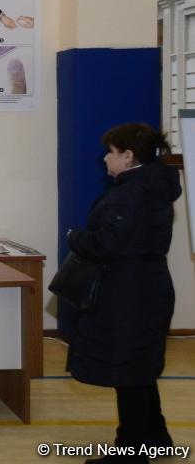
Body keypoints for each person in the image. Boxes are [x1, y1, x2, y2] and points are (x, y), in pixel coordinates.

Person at [66, 123, 180, 464]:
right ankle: (156, 438)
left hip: (129, 294)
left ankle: (129, 451)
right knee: (139, 368)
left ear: (128, 157)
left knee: (127, 370)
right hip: (146, 288)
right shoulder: (151, 186)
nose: (105, 159)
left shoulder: (131, 193)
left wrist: (75, 237)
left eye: (111, 152)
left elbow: (106, 244)